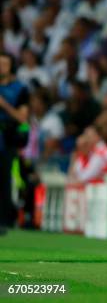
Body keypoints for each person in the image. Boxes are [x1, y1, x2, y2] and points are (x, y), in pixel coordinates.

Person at [0, 52, 30, 234]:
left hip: (7, 137)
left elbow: (22, 117)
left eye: (4, 64)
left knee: (4, 179)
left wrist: (4, 105)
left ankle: (4, 221)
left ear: (11, 67)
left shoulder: (20, 89)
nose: (1, 67)